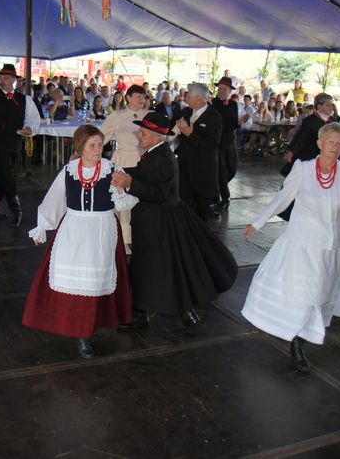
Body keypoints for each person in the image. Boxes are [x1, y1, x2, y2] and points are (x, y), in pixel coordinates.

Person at [242, 123, 340, 371]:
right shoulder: (304, 169)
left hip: (332, 245)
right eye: (330, 142)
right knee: (305, 293)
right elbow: (283, 197)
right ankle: (297, 343)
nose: (335, 147)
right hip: (304, 242)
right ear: (319, 143)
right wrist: (257, 222)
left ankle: (303, 334)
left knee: (321, 293)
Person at [112, 112, 237, 332]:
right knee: (155, 267)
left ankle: (175, 311)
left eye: (142, 132)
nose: (139, 135)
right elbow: (143, 175)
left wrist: (131, 183)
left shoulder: (163, 158)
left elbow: (161, 194)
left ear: (155, 136)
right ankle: (157, 312)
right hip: (154, 221)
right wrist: (118, 172)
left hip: (161, 223)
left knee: (161, 267)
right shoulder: (154, 154)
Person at [23, 125, 135, 358]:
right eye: (92, 145)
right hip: (74, 228)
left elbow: (125, 204)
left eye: (100, 144)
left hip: (102, 229)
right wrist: (42, 227)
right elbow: (54, 200)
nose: (97, 149)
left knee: (96, 280)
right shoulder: (69, 170)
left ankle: (89, 329)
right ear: (80, 147)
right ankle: (78, 330)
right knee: (73, 279)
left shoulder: (112, 169)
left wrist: (121, 188)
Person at [0, 64, 41, 227]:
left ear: (14, 80)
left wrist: (29, 129)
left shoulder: (25, 99)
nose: (2, 80)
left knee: (4, 178)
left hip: (15, 144)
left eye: (6, 77)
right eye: (1, 77)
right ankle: (17, 211)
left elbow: (33, 119)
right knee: (8, 176)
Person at [99, 84, 149, 249]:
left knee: (143, 200)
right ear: (128, 97)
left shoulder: (149, 115)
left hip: (144, 160)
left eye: (143, 96)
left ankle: (142, 237)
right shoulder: (117, 115)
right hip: (124, 160)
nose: (142, 100)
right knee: (124, 201)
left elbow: (164, 137)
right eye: (138, 96)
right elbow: (102, 136)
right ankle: (124, 241)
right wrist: (85, 152)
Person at [175, 82, 222, 220]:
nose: (186, 97)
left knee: (202, 213)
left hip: (203, 171)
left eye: (188, 95)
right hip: (184, 168)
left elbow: (211, 147)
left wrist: (190, 133)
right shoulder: (186, 111)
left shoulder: (214, 117)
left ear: (198, 98)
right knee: (184, 207)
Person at [283, 93, 335, 171]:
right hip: (309, 158)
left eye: (332, 105)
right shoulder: (310, 121)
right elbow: (299, 138)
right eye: (328, 105)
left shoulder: (333, 121)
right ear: (319, 106)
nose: (331, 108)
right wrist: (290, 151)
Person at [211, 76, 239, 211]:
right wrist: (237, 123)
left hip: (230, 141)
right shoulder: (214, 103)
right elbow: (221, 122)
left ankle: (218, 188)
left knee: (232, 169)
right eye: (220, 89)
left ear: (229, 91)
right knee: (221, 170)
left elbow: (232, 123)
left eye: (224, 89)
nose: (221, 91)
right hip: (218, 142)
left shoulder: (234, 104)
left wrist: (238, 122)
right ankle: (224, 197)